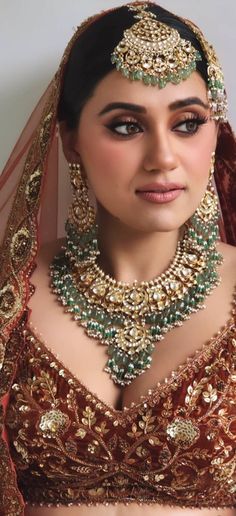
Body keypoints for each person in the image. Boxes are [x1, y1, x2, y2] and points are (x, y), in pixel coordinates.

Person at [0, 2, 235, 515]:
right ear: (70, 141)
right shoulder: (7, 296)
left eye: (188, 123)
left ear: (216, 131)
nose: (164, 158)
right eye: (127, 126)